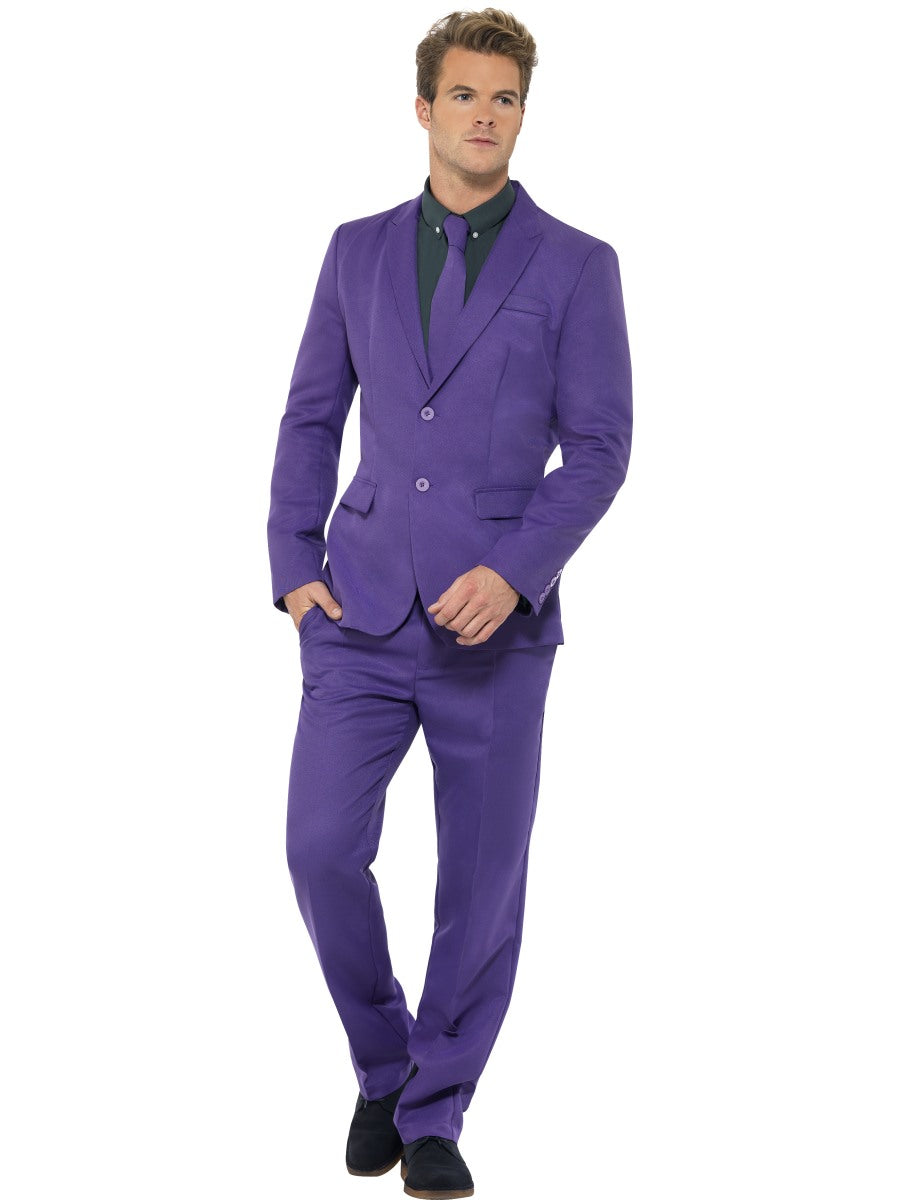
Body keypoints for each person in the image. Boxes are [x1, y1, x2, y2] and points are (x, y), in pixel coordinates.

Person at [266, 9, 632, 1197]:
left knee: (479, 887)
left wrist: (517, 569)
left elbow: (600, 448)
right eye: (464, 94)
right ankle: (387, 1064)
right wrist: (293, 565)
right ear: (423, 107)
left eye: (504, 98)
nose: (485, 115)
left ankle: (435, 1110)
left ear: (523, 113)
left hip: (494, 631)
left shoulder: (577, 265)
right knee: (320, 849)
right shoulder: (355, 251)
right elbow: (312, 417)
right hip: (358, 610)